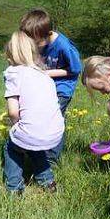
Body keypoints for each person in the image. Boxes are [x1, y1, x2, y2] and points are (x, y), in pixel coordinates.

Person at [2, 31, 64, 194]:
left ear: (10, 56)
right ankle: (47, 181)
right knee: (34, 144)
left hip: (33, 132)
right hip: (55, 133)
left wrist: (15, 125)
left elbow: (13, 111)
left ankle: (14, 187)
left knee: (12, 147)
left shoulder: (13, 73)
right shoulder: (45, 76)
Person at [19, 9, 81, 163]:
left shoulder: (63, 46)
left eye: (37, 42)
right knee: (39, 117)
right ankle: (35, 151)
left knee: (53, 120)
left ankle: (51, 159)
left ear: (48, 33)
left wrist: (47, 74)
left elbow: (75, 69)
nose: (35, 45)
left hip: (62, 89)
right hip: (45, 88)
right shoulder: (38, 40)